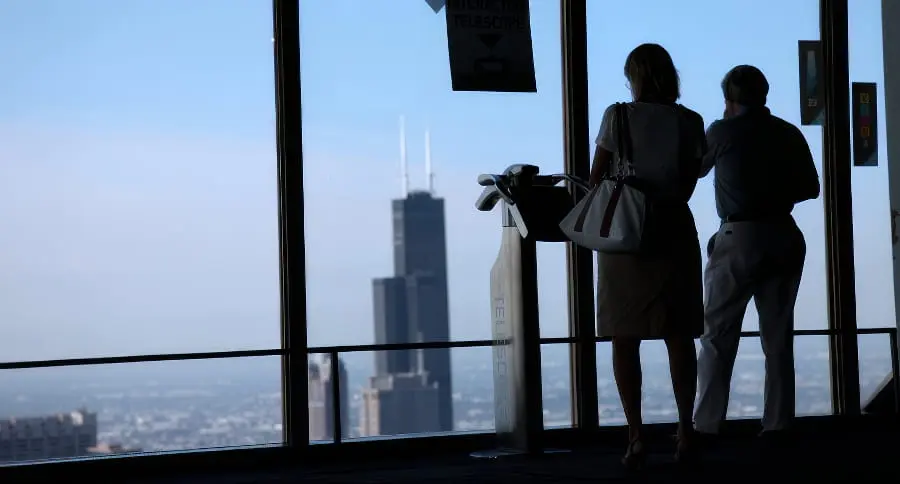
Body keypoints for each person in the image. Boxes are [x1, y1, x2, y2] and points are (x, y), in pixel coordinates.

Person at [590, 43, 707, 468]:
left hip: (626, 233)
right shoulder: (691, 122)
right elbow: (690, 182)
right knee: (678, 333)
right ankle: (684, 430)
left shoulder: (617, 116)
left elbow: (597, 176)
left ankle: (636, 434)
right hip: (674, 226)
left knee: (625, 334)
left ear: (633, 76)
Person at [694, 65, 820, 440]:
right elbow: (811, 187)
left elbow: (695, 169)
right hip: (783, 232)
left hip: (740, 234)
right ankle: (778, 422)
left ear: (729, 99)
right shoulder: (788, 133)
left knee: (717, 334)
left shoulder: (722, 132)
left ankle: (706, 424)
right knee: (778, 335)